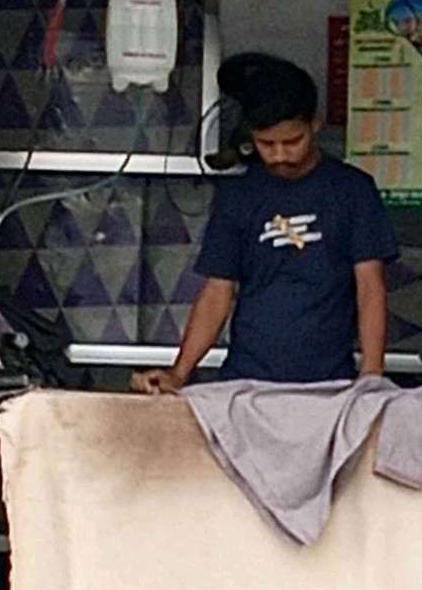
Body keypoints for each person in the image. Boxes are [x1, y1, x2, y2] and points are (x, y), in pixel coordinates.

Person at [132, 53, 398, 393]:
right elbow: (217, 293)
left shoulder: (352, 191)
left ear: (314, 125)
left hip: (330, 385)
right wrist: (179, 373)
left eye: (292, 142)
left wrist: (372, 374)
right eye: (266, 144)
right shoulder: (239, 197)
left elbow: (370, 288)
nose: (279, 155)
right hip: (245, 381)